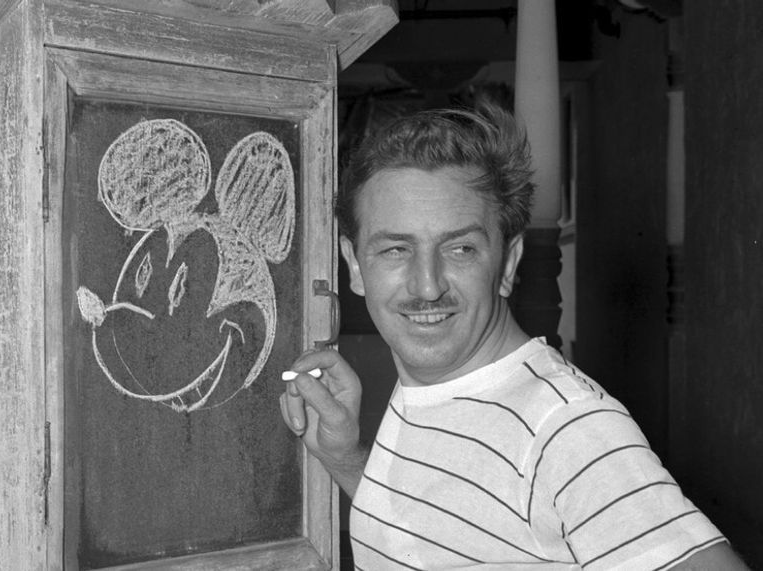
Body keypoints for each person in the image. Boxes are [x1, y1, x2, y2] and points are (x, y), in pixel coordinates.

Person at [279, 105, 746, 569]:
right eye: (396, 249)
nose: (427, 286)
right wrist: (345, 459)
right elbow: (448, 534)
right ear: (356, 265)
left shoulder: (567, 429)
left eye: (460, 249)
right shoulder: (439, 385)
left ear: (506, 264)